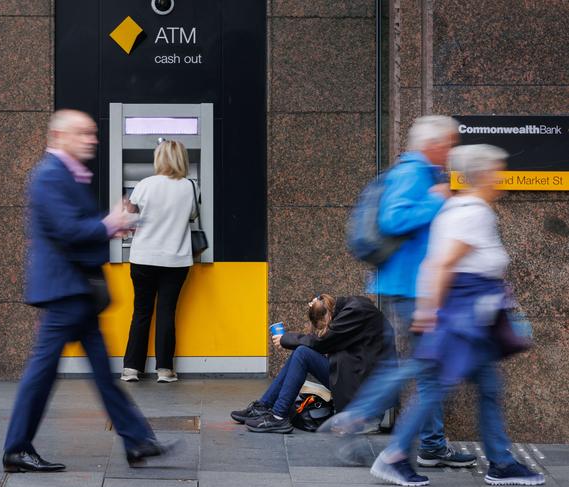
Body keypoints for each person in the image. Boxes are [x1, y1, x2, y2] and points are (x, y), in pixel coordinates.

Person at [2, 110, 181, 473]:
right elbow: (67, 231)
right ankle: (17, 447)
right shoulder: (50, 175)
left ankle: (136, 441)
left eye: (92, 133)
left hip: (75, 290)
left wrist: (110, 227)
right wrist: (109, 223)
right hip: (64, 290)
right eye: (83, 134)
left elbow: (77, 228)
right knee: (43, 372)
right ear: (59, 136)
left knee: (100, 372)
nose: (92, 140)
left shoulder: (67, 175)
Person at [368, 144, 545, 486]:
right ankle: (395, 455)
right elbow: (444, 263)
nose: (502, 176)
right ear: (486, 175)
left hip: (466, 316)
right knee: (437, 387)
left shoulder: (457, 207)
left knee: (482, 387)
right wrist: (429, 312)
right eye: (499, 170)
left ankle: (501, 462)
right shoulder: (474, 212)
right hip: (464, 319)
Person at [371, 115, 476, 468]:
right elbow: (393, 220)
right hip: (411, 288)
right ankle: (361, 416)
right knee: (428, 367)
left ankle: (430, 443)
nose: (451, 151)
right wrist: (436, 201)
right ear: (432, 144)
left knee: (429, 368)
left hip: (419, 286)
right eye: (448, 144)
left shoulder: (424, 173)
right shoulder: (412, 172)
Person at [230, 294, 387, 433]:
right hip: (355, 377)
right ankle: (263, 406)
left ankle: (278, 416)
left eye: (324, 327)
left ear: (328, 316)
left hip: (362, 391)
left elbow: (322, 343)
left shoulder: (354, 312)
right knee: (301, 354)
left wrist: (286, 339)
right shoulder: (348, 310)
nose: (325, 330)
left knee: (302, 354)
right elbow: (324, 342)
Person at [120, 139, 198, 384]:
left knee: (142, 311)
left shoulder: (144, 184)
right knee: (166, 311)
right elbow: (193, 215)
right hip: (176, 260)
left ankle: (132, 368)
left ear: (159, 159)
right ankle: (164, 369)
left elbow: (128, 217)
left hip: (143, 258)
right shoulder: (189, 186)